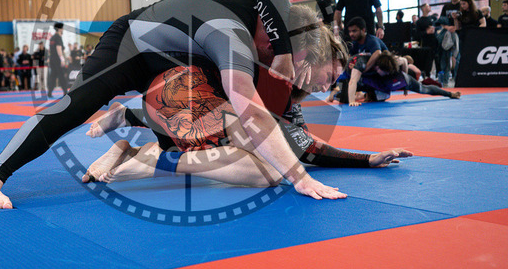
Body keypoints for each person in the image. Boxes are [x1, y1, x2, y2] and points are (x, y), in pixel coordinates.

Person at [0, 0, 348, 210]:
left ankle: (145, 144)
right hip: (132, 45)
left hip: (180, 64)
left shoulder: (268, 17)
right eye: (271, 49)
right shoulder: (233, 35)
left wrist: (282, 55)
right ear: (270, 33)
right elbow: (254, 112)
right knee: (77, 105)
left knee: (255, 157)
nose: (267, 56)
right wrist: (300, 179)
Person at [84, 18, 410, 186]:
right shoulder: (271, 68)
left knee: (267, 156)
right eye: (331, 74)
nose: (328, 85)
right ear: (316, 57)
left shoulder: (286, 91)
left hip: (176, 107)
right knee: (269, 166)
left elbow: (304, 145)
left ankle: (132, 149)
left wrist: (367, 159)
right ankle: (155, 156)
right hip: (178, 99)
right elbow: (303, 147)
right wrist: (364, 159)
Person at [343, 51, 460, 106]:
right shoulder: (365, 64)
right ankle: (361, 95)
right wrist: (352, 100)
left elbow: (404, 61)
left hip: (398, 79)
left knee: (423, 89)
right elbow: (353, 81)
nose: (381, 72)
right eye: (382, 71)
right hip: (374, 82)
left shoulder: (393, 63)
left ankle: (449, 94)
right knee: (354, 90)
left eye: (384, 72)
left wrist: (405, 86)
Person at [47, 23, 68, 98]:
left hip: (52, 59)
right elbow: (58, 48)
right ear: (59, 29)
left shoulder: (52, 38)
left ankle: (49, 92)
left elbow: (50, 49)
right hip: (57, 59)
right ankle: (65, 92)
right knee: (61, 75)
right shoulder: (58, 37)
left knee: (53, 76)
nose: (63, 30)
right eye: (62, 28)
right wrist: (62, 59)